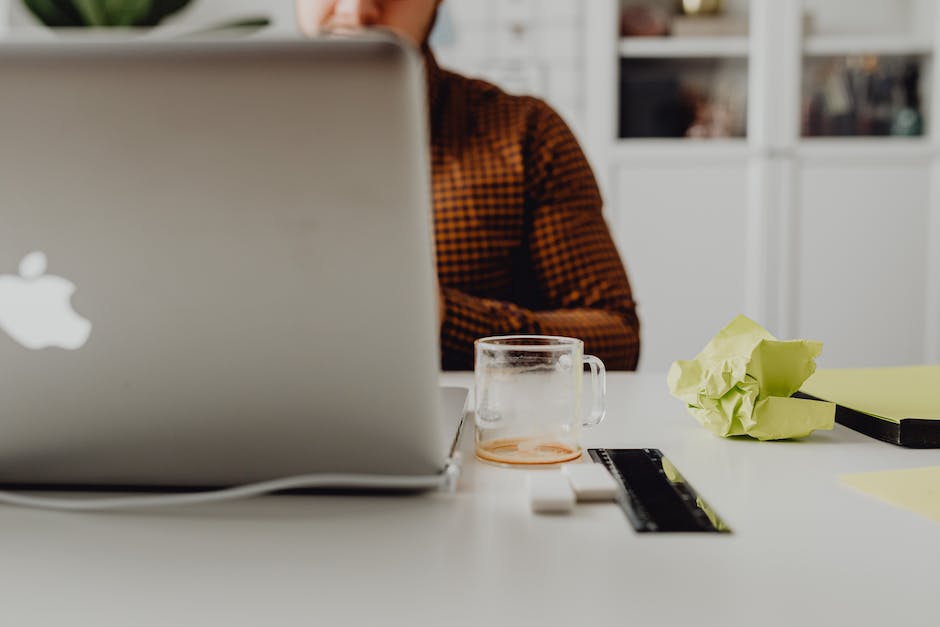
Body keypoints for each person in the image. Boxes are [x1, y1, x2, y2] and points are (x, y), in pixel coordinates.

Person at [296, 0, 641, 370]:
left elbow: (616, 339)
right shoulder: (232, 132)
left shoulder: (527, 133)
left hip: (469, 423)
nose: (357, 10)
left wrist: (444, 319)